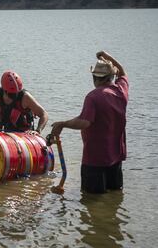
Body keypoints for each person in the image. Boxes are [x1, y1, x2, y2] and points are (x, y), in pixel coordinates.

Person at [51, 51, 128, 194]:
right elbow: (123, 72)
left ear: (94, 78)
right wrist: (107, 57)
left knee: (91, 201)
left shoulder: (93, 97)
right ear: (111, 76)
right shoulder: (121, 91)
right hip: (116, 158)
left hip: (95, 160)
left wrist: (62, 124)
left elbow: (84, 122)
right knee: (114, 196)